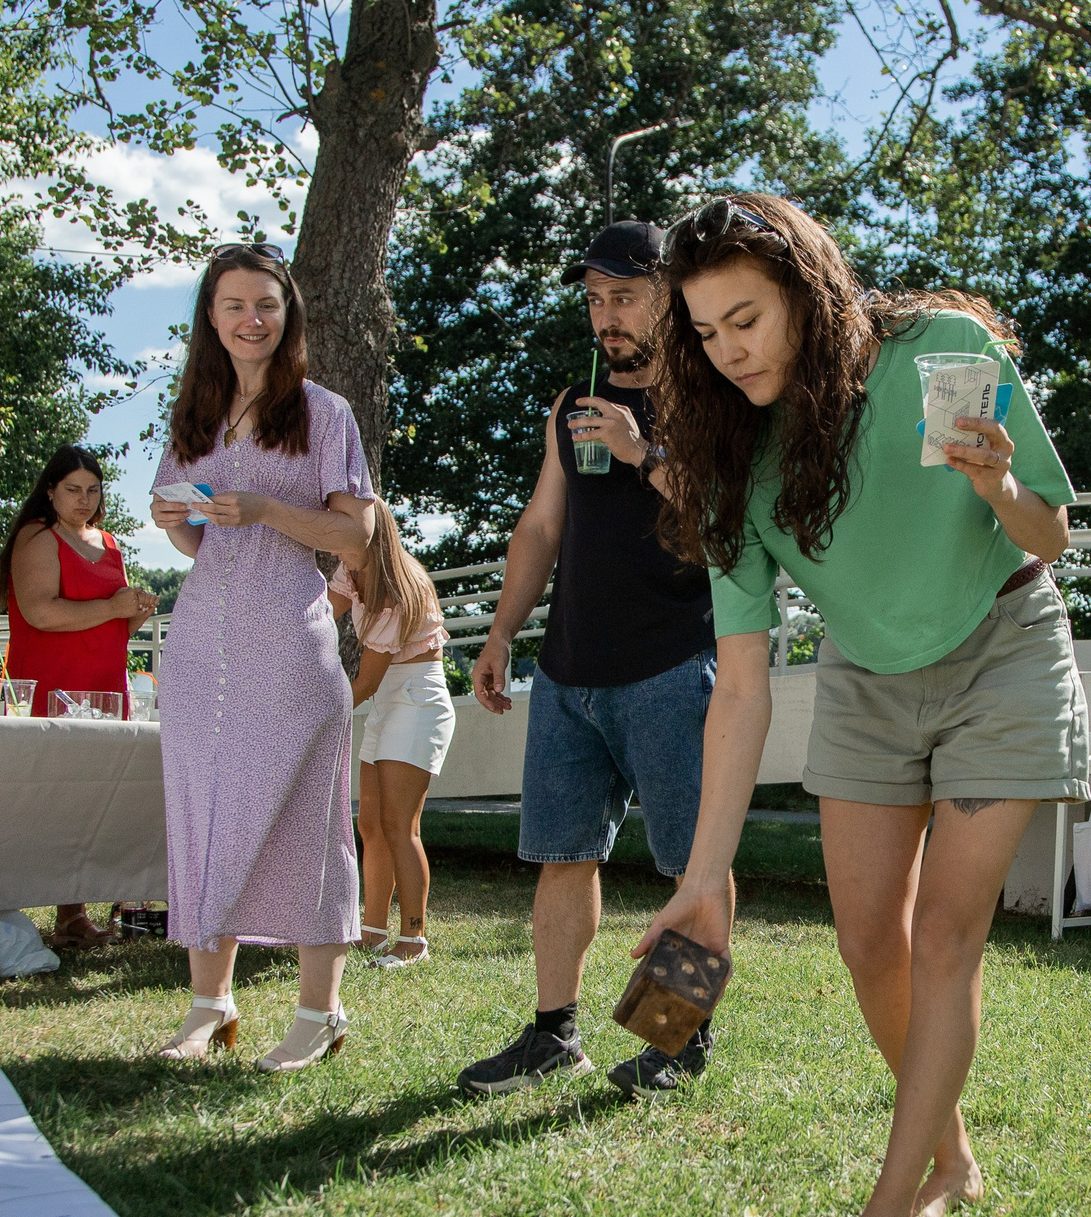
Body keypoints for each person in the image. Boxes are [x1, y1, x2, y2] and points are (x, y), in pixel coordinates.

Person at [637, 195, 1085, 1217]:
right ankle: (955, 1157)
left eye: (745, 317)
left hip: (1001, 648)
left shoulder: (939, 353)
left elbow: (1053, 530)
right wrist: (704, 879)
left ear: (806, 291)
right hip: (867, 679)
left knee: (944, 938)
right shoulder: (731, 458)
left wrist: (997, 484)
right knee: (865, 946)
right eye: (704, 331)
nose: (727, 349)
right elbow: (738, 686)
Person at [455, 220, 729, 1098]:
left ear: (666, 297)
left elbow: (724, 521)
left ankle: (678, 1040)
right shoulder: (573, 399)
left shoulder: (710, 392)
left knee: (696, 861)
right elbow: (541, 526)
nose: (604, 316)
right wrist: (501, 634)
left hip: (673, 663)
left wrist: (642, 449)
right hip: (570, 669)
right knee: (562, 856)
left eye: (622, 297)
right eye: (593, 299)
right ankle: (552, 1034)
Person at [147, 242, 374, 1072]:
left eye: (267, 305)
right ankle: (210, 1003)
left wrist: (270, 509)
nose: (252, 319)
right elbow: (186, 533)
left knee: (308, 820)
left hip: (290, 640)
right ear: (210, 315)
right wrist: (177, 514)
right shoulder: (194, 415)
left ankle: (320, 1012)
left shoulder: (325, 413)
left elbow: (354, 535)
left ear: (289, 316)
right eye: (235, 304)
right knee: (204, 810)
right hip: (202, 641)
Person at [0, 444, 160, 948]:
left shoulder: (109, 543)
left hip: (105, 682)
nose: (84, 499)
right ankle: (3, 906)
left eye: (93, 490)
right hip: (48, 681)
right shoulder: (37, 536)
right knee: (42, 794)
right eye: (73, 490)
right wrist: (114, 607)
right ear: (50, 491)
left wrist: (136, 610)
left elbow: (116, 623)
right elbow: (41, 612)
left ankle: (75, 913)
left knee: (97, 797)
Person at [327, 496, 453, 969]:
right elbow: (321, 618)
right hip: (386, 700)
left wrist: (315, 707)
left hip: (417, 699)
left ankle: (413, 939)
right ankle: (372, 930)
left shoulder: (397, 589)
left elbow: (366, 681)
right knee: (371, 823)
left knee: (402, 826)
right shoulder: (352, 567)